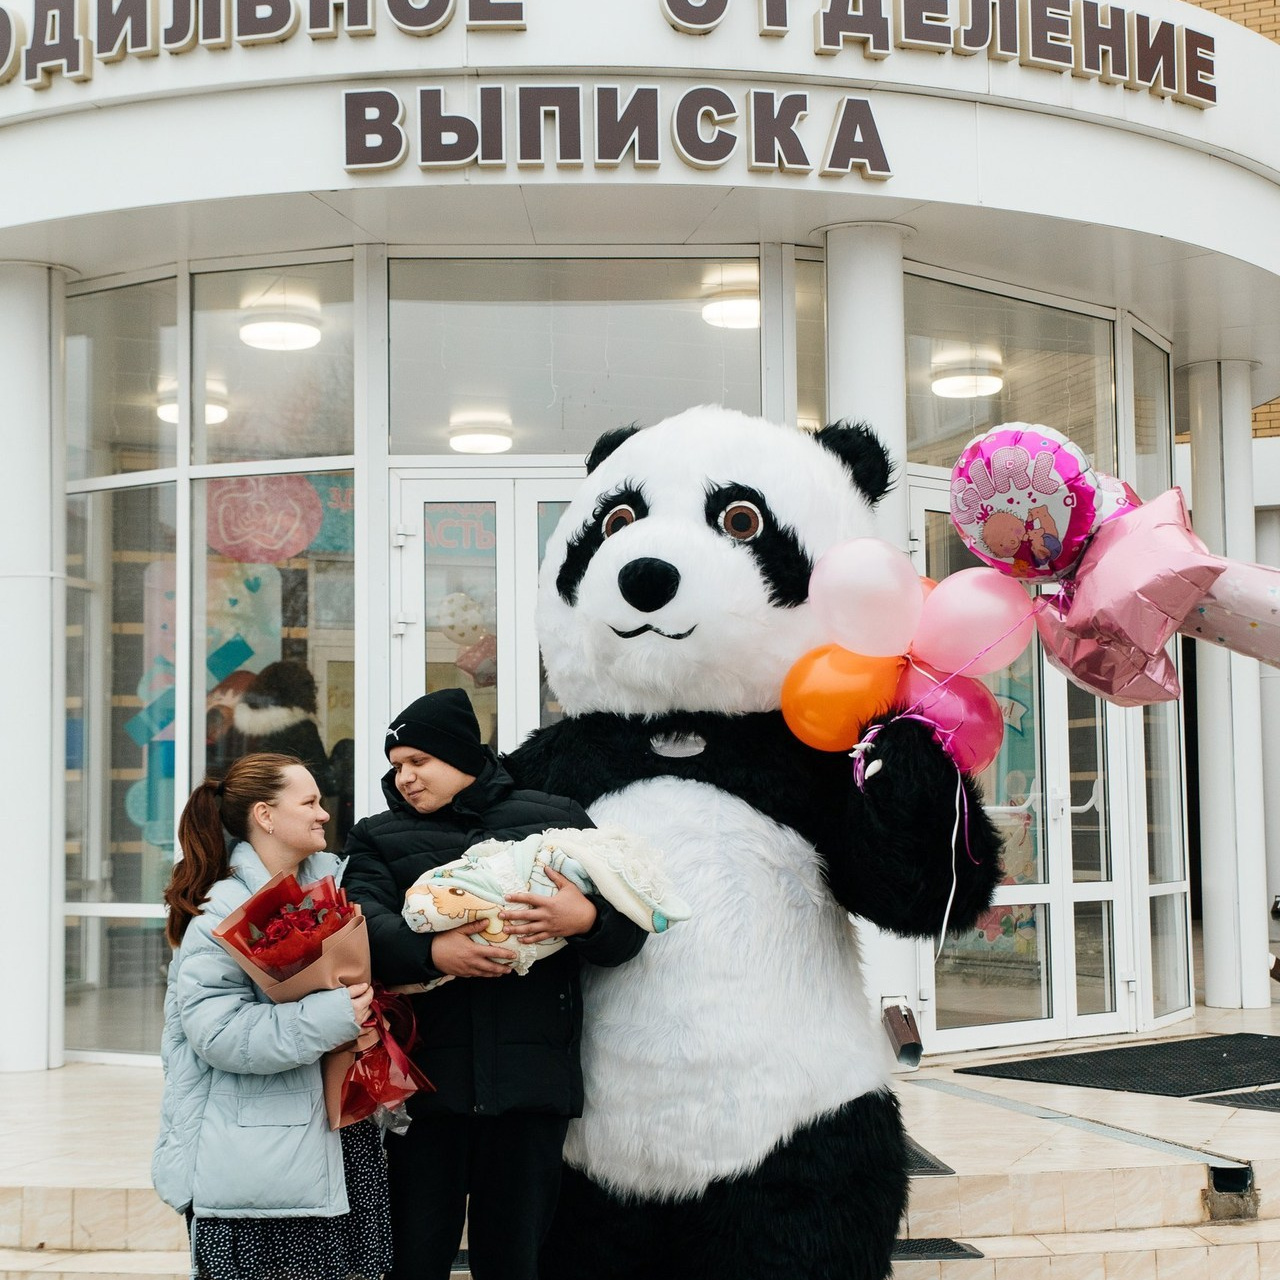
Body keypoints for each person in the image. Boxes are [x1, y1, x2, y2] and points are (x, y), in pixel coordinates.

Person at [341, 688, 646, 1280]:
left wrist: (585, 920)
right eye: (396, 766)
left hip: (530, 1088)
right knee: (413, 1257)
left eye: (417, 762)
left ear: (460, 755)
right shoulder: (377, 836)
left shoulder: (557, 822)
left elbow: (631, 925)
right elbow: (358, 930)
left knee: (515, 1262)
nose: (404, 778)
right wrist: (434, 951)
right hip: (423, 1092)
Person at [152, 752, 393, 1280]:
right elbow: (216, 1033)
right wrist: (333, 1015)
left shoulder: (335, 893)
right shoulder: (224, 913)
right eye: (309, 802)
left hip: (338, 1145)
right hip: (259, 1171)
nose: (324, 813)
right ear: (265, 815)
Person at [234, 660, 337, 795]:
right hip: (288, 804)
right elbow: (322, 779)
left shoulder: (240, 727)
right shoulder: (301, 728)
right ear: (301, 692)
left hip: (248, 802)